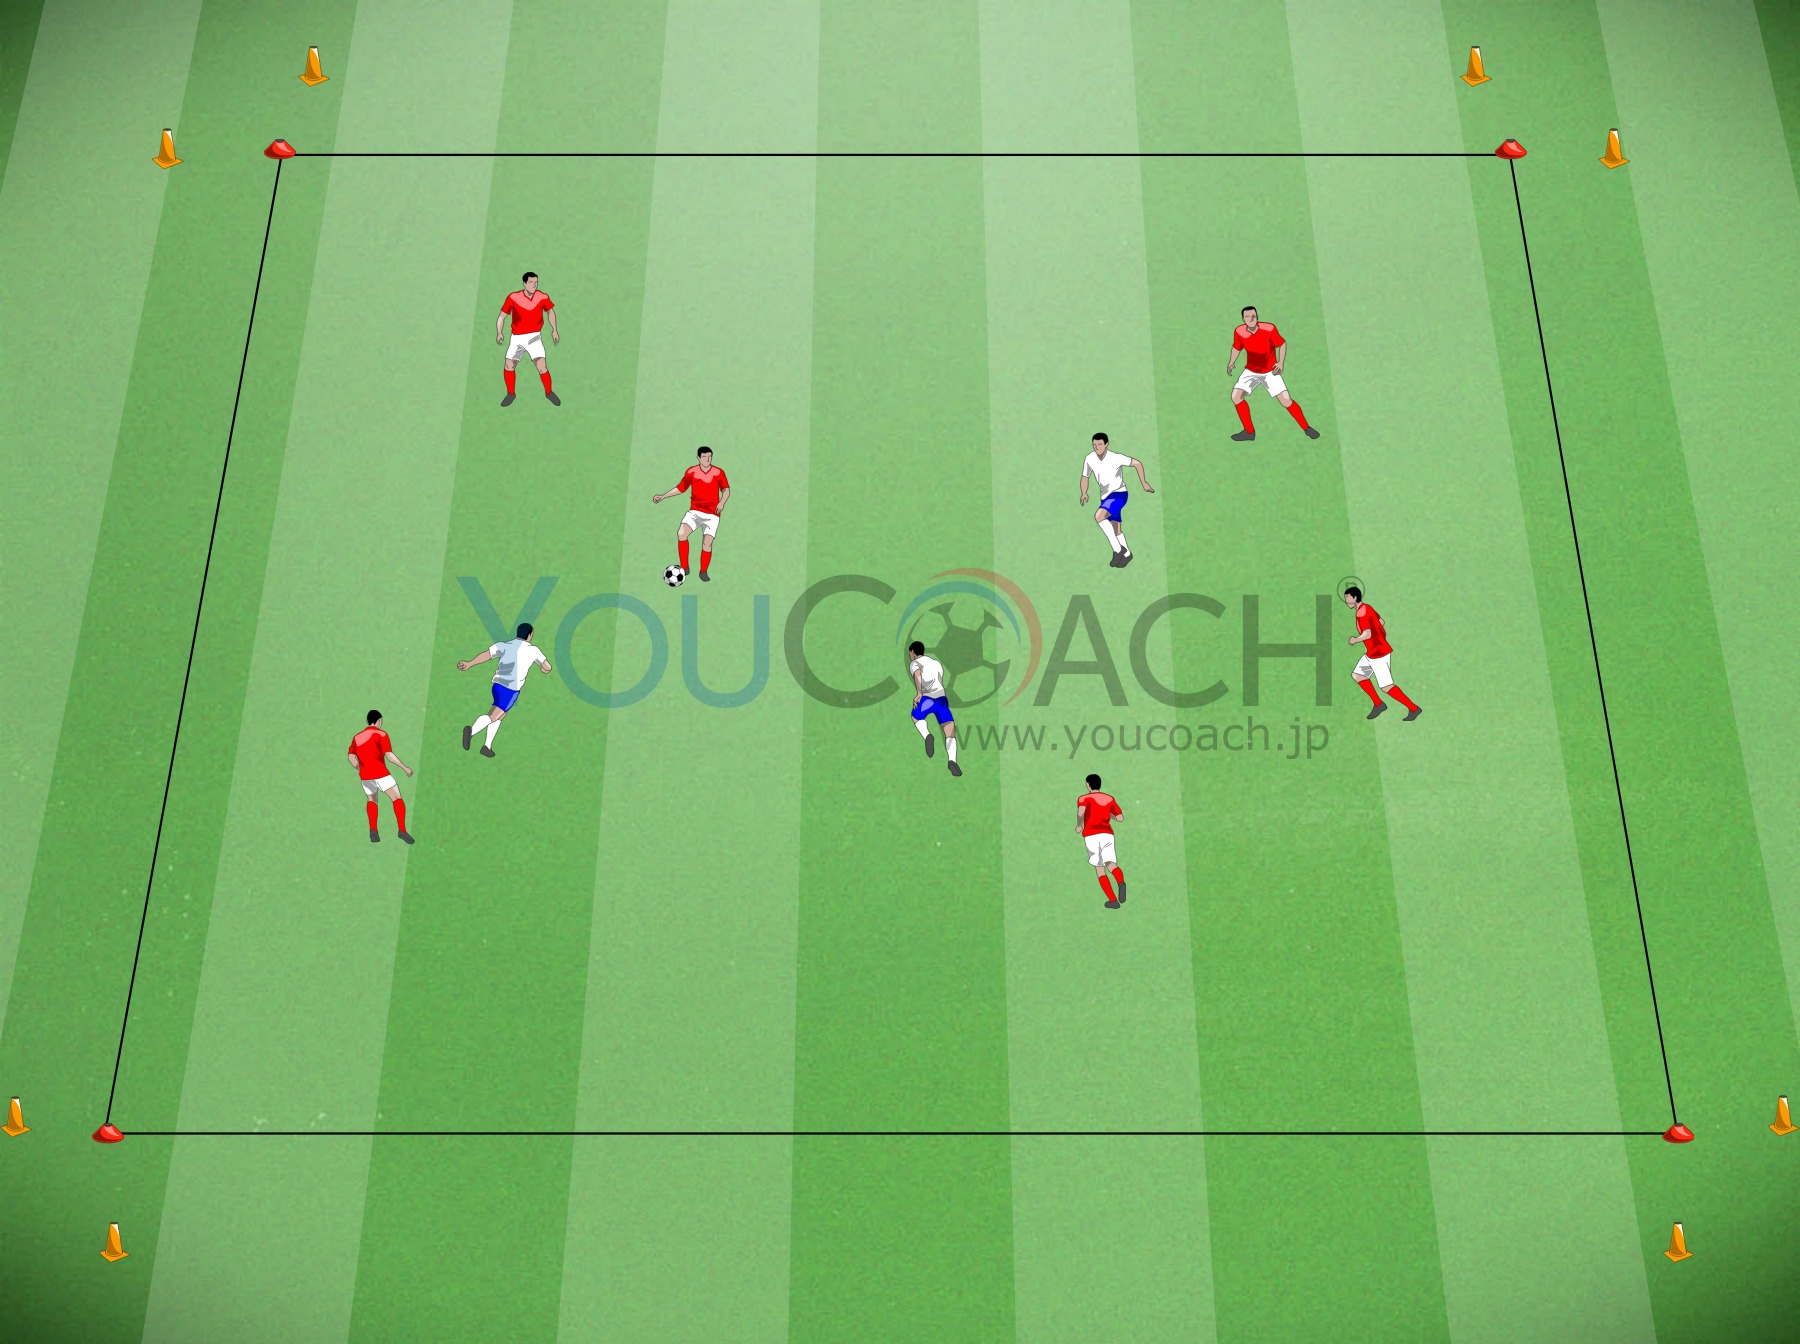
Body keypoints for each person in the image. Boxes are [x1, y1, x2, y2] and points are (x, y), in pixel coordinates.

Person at [459, 622, 554, 756]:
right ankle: (471, 731)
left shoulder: (504, 645)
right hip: (511, 689)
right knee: (493, 716)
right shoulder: (533, 650)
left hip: (497, 685)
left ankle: (487, 746)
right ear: (529, 635)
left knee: (500, 715)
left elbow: (487, 655)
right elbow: (548, 666)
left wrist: (469, 663)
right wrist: (544, 669)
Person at [1226, 306, 1318, 441]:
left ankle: (1307, 428)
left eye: (1253, 316)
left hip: (1270, 371)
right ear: (1243, 319)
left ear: (1257, 317)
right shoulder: (1239, 331)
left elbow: (1282, 344)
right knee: (1236, 396)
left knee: (1286, 401)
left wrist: (1280, 362)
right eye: (1247, 317)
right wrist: (1231, 362)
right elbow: (1236, 347)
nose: (1251, 319)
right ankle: (1249, 432)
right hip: (1251, 370)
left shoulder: (1269, 329)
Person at [652, 446, 730, 581]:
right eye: (704, 457)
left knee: (707, 544)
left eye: (710, 457)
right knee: (681, 533)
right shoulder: (692, 472)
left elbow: (726, 490)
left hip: (712, 514)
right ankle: (684, 567)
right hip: (695, 512)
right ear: (698, 458)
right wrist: (663, 496)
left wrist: (722, 502)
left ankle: (703, 572)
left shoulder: (718, 472)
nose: (708, 459)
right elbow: (680, 488)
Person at [1344, 585, 1421, 721]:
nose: (1346, 601)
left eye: (1348, 598)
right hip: (1372, 652)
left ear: (1355, 598)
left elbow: (1367, 634)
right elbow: (1381, 621)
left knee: (1386, 686)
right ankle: (1378, 704)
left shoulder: (1361, 613)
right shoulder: (1367, 607)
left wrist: (1355, 639)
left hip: (1379, 654)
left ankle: (1414, 708)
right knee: (1358, 675)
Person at [1079, 432, 1154, 568]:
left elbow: (1137, 463)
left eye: (1100, 444)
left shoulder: (1116, 458)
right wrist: (1084, 492)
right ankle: (1127, 554)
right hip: (1105, 497)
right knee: (1116, 529)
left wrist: (1144, 483)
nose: (1097, 447)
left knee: (1099, 516)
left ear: (1106, 444)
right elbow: (1085, 477)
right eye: (1094, 445)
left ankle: (1118, 550)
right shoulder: (1089, 458)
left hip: (1119, 494)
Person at [348, 710, 414, 843]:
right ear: (378, 721)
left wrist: (360, 768)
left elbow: (351, 757)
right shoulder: (381, 734)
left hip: (366, 776)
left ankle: (373, 830)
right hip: (381, 773)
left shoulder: (357, 737)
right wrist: (404, 767)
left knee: (372, 800)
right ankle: (402, 830)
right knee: (396, 798)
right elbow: (389, 755)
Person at [496, 271, 560, 406]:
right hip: (517, 338)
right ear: (524, 283)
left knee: (542, 366)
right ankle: (510, 394)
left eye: (536, 282)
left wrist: (554, 330)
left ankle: (549, 392)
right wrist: (499, 332)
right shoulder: (513, 297)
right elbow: (502, 316)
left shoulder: (542, 297)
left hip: (534, 337)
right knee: (509, 365)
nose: (534, 285)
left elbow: (550, 312)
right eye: (531, 282)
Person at [907, 639, 961, 777]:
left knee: (915, 716)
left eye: (910, 653)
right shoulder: (936, 663)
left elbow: (918, 674)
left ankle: (927, 736)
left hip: (927, 699)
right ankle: (952, 761)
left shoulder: (915, 663)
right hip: (941, 699)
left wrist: (919, 693)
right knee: (949, 729)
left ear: (913, 652)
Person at [1075, 773, 1126, 908]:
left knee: (1100, 869)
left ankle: (1113, 901)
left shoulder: (1084, 798)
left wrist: (1079, 825)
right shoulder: (1109, 798)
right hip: (1107, 834)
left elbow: (1080, 813)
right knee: (1111, 864)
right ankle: (1121, 881)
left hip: (1092, 835)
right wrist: (1108, 814)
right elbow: (1120, 818)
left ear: (1088, 785)